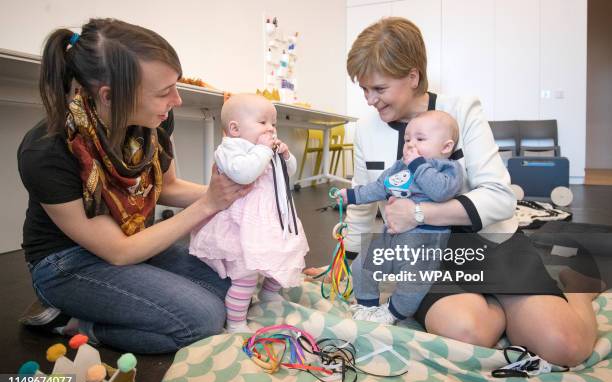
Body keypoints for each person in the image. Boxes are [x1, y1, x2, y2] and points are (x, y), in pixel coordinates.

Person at [309, 16, 598, 367]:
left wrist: (418, 213)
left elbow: (500, 197)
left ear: (412, 77)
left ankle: (573, 290)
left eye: (379, 89)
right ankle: (503, 309)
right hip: (426, 257)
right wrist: (342, 265)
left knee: (565, 345)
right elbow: (360, 208)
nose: (370, 99)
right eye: (364, 90)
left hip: (492, 244)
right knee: (467, 332)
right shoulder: (367, 130)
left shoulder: (462, 110)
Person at [17, 18, 250, 353]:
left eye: (176, 85)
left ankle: (115, 307)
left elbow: (166, 188)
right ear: (110, 96)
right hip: (69, 262)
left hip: (134, 239)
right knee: (202, 319)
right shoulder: (47, 150)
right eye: (163, 92)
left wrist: (234, 190)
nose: (178, 100)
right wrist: (209, 203)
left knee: (233, 286)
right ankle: (75, 321)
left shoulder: (151, 122)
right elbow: (118, 251)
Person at [190, 94, 309, 333]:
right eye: (263, 123)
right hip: (242, 225)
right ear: (235, 128)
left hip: (273, 219)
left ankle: (269, 293)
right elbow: (244, 173)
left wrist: (286, 157)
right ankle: (236, 323)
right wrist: (265, 151)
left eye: (273, 124)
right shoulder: (229, 149)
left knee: (283, 257)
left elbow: (289, 173)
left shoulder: (266, 148)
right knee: (244, 276)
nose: (271, 129)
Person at [336, 110, 463, 324]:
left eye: (420, 139)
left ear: (446, 147)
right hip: (391, 237)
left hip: (424, 245)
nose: (411, 144)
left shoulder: (448, 168)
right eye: (407, 139)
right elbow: (379, 187)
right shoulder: (399, 167)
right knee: (363, 264)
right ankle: (368, 307)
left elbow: (441, 191)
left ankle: (393, 313)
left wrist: (418, 165)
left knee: (413, 283)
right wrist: (352, 196)